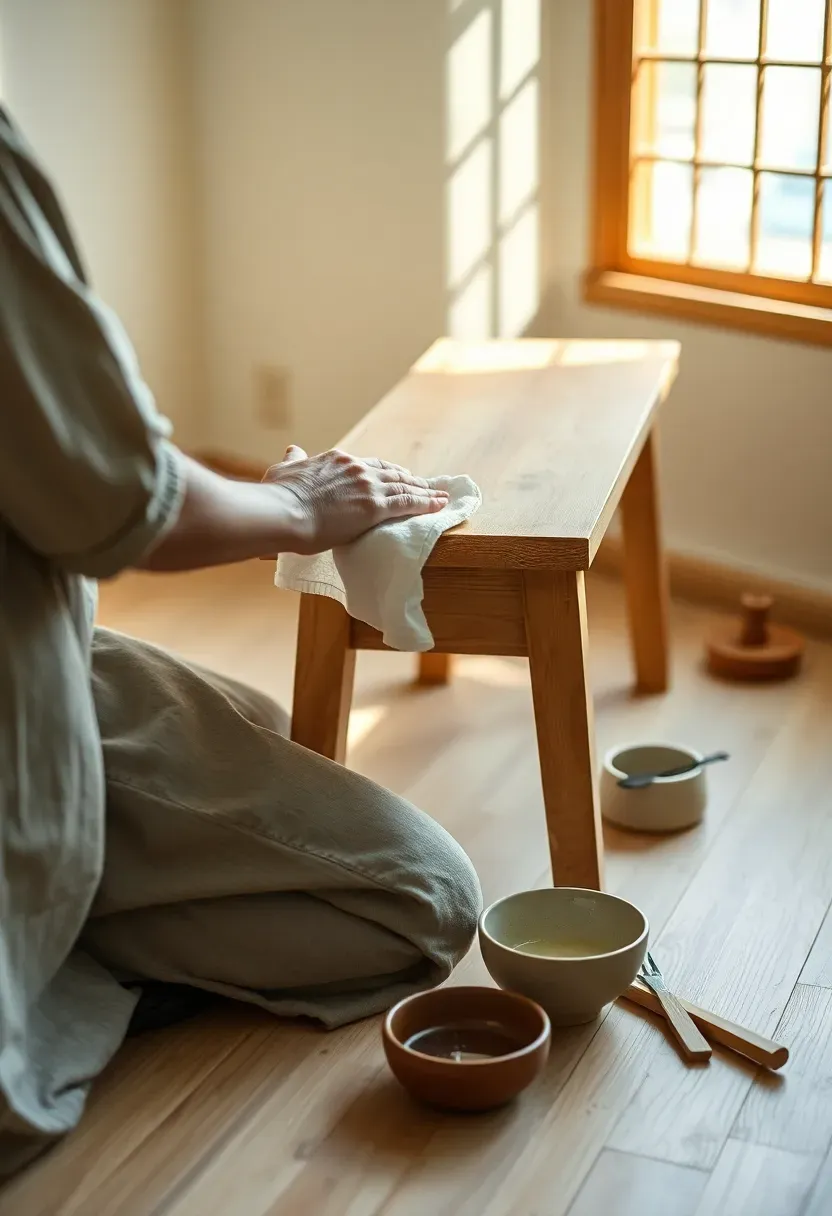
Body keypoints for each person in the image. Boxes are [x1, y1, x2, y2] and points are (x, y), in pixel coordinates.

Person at [0, 106, 481, 1176]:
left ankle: (70, 933)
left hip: (52, 651)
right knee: (426, 901)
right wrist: (305, 506)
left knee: (253, 726)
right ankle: (48, 979)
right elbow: (126, 506)